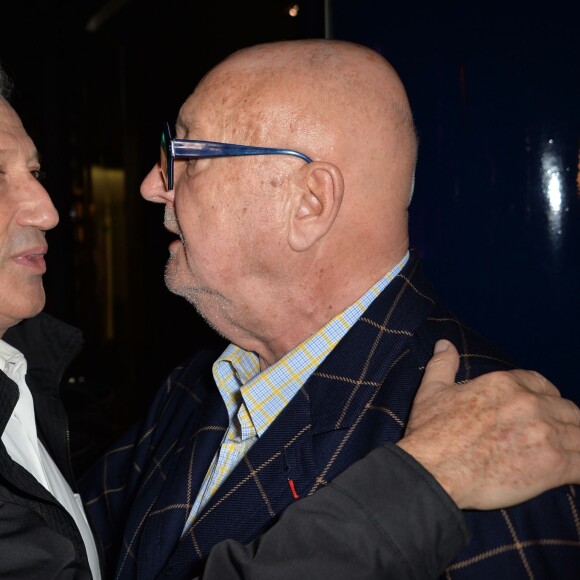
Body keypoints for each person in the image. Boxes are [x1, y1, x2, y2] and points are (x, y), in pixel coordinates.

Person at [3, 61, 572, 580]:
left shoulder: (499, 450)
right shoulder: (196, 387)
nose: (153, 185)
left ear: (310, 203)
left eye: (186, 155)